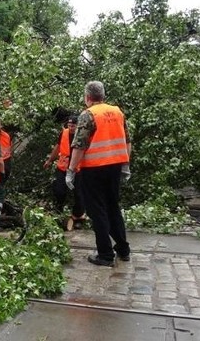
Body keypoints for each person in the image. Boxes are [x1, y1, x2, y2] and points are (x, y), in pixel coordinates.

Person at [66, 81, 132, 267]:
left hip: (94, 169)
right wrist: (126, 165)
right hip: (115, 167)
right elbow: (127, 140)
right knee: (112, 206)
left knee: (97, 210)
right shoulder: (117, 112)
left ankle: (105, 254)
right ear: (103, 95)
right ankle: (123, 248)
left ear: (87, 97)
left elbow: (80, 145)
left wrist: (71, 170)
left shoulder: (88, 115)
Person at [43, 114, 86, 230]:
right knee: (59, 190)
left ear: (78, 125)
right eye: (69, 125)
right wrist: (49, 160)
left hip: (78, 169)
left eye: (73, 125)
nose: (71, 128)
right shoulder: (64, 133)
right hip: (63, 167)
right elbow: (57, 147)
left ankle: (78, 218)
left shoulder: (83, 134)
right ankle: (58, 212)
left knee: (79, 194)